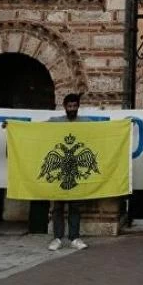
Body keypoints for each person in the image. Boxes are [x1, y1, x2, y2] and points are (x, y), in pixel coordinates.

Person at [46, 93, 90, 251]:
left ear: (78, 106)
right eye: (69, 106)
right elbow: (35, 129)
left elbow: (103, 131)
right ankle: (57, 238)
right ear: (65, 107)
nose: (72, 109)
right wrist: (11, 125)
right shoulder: (55, 122)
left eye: (75, 106)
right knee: (57, 207)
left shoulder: (86, 123)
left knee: (75, 207)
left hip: (76, 171)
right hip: (60, 172)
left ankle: (74, 237)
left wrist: (126, 124)